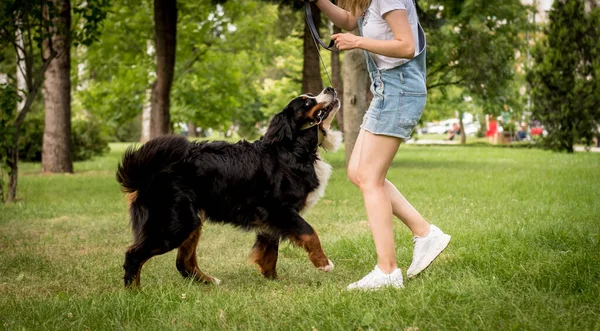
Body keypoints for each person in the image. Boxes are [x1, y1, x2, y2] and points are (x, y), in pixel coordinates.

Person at [311, 0, 451, 290]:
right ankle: (426, 234)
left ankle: (387, 271)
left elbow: (406, 46)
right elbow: (351, 20)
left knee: (370, 179)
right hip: (387, 90)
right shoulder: (370, 1)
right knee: (357, 172)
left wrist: (357, 41)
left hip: (400, 90)